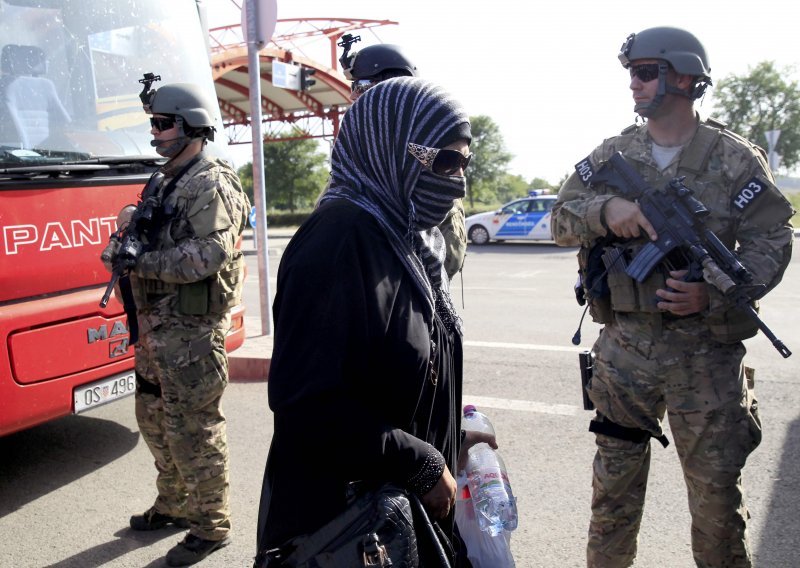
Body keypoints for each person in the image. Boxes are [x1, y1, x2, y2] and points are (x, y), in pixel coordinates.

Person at [551, 27, 794, 568]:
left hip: (706, 357)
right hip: (624, 352)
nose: (633, 84)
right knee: (612, 497)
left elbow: (772, 238)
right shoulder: (614, 154)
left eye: (644, 72)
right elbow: (560, 219)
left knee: (716, 505)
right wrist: (605, 211)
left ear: (683, 77)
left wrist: (714, 293)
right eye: (631, 73)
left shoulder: (733, 159)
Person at [254, 76, 479, 566]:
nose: (457, 179)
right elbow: (306, 404)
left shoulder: (407, 239)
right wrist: (417, 460)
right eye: (443, 160)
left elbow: (400, 370)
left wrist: (454, 437)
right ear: (388, 149)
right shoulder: (337, 243)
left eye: (464, 162)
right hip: (348, 527)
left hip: (401, 512)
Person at [100, 80, 250, 567]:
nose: (155, 133)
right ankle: (174, 503)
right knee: (153, 419)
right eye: (154, 124)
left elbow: (208, 256)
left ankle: (211, 524)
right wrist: (124, 239)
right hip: (156, 332)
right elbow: (150, 231)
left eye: (163, 124)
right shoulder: (166, 179)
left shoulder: (211, 182)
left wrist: (139, 260)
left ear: (191, 126)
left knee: (194, 430)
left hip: (190, 334)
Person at [340, 40, 468, 280]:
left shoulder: (430, 172)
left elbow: (448, 260)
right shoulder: (356, 164)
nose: (353, 95)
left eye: (363, 85)